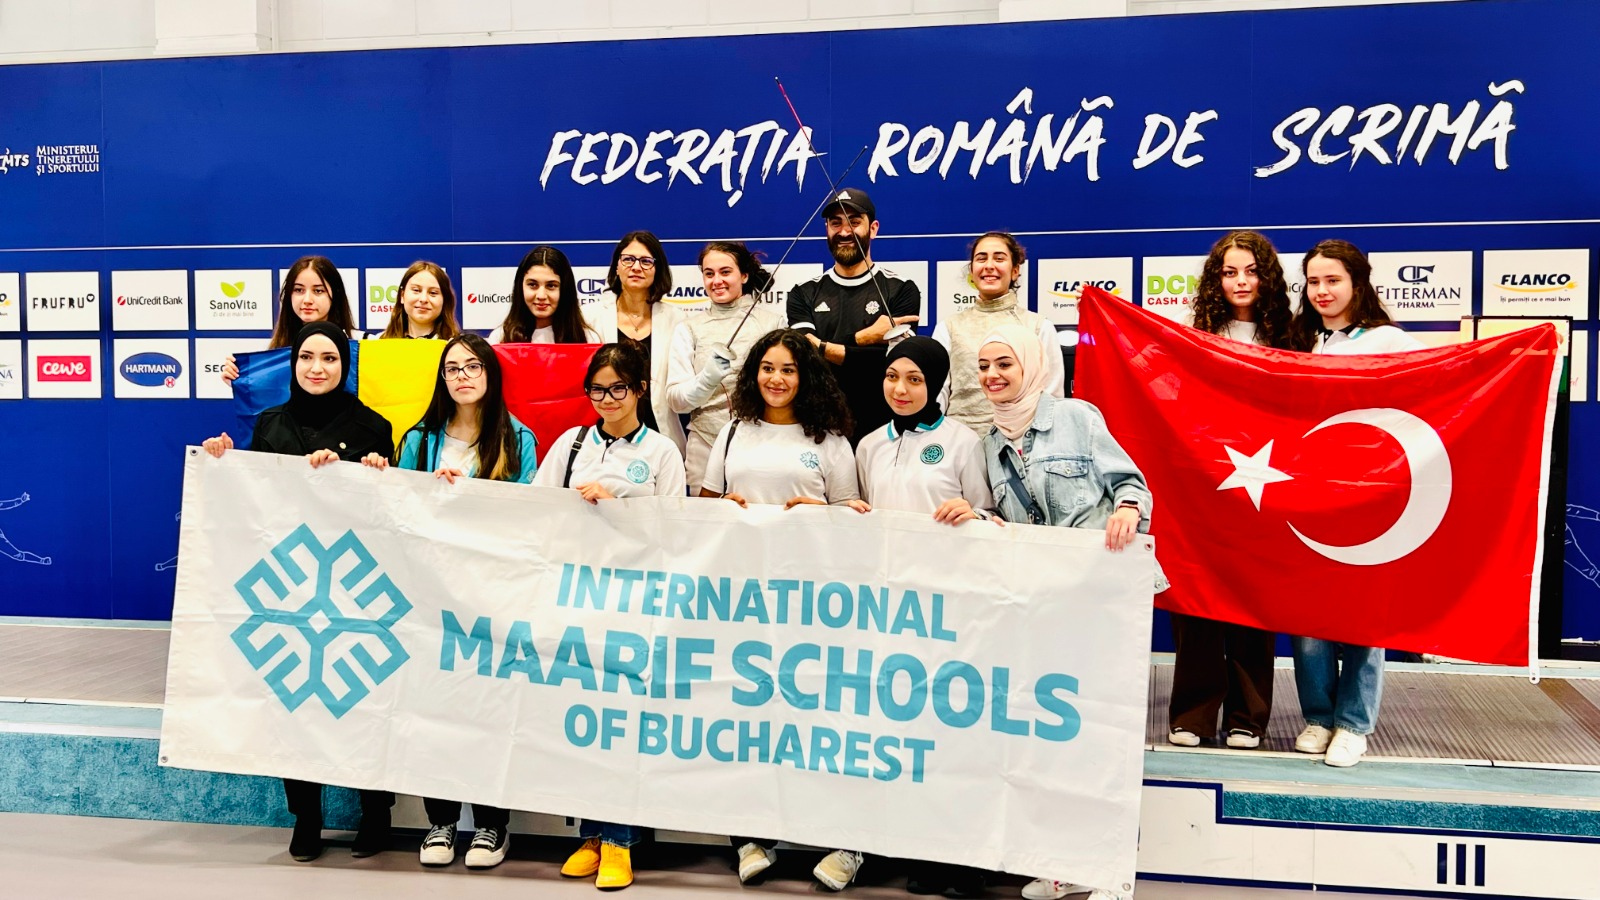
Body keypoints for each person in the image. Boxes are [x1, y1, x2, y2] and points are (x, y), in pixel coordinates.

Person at [975, 323, 1160, 900]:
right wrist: (975, 520)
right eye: (984, 367)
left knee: (1105, 736)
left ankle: (1110, 871)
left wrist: (1128, 508)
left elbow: (1131, 483)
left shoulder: (1077, 416)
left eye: (1004, 364)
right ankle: (1063, 863)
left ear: (1030, 365)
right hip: (1046, 606)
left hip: (1102, 596)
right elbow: (1012, 524)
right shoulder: (989, 443)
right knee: (1055, 741)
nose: (993, 376)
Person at [199, 321, 396, 863]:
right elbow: (253, 495)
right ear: (293, 364)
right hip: (291, 584)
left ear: (344, 365)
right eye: (307, 357)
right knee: (294, 704)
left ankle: (375, 813)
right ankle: (306, 817)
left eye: (329, 358)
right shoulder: (271, 423)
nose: (316, 367)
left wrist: (374, 472)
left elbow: (391, 513)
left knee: (362, 701)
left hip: (355, 586)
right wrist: (223, 458)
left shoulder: (374, 427)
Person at [358, 333, 536, 870]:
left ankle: (492, 825)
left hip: (493, 597)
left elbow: (531, 518)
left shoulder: (518, 437)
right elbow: (398, 514)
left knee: (490, 710)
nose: (462, 376)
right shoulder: (419, 438)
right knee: (433, 709)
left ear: (490, 374)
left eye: (472, 366)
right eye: (452, 368)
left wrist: (470, 496)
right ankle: (441, 821)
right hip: (430, 597)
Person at [698, 328, 864, 891]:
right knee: (746, 722)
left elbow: (853, 520)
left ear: (806, 377)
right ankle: (748, 838)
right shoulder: (733, 431)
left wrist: (822, 512)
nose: (776, 378)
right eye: (767, 368)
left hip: (812, 607)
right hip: (742, 605)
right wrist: (724, 507)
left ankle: (843, 842)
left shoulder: (831, 441)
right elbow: (704, 508)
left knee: (819, 722)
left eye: (788, 369)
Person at [537, 342, 686, 890]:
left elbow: (676, 529)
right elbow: (536, 510)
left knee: (624, 725)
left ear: (640, 390)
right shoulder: (571, 444)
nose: (607, 399)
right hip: (578, 598)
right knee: (583, 723)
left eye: (618, 388)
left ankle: (621, 840)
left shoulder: (663, 452)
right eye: (597, 390)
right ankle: (592, 835)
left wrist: (618, 507)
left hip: (635, 601)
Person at [853, 336, 993, 899]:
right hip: (889, 613)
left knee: (948, 735)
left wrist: (973, 512)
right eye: (893, 377)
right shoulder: (868, 445)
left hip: (949, 610)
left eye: (915, 379)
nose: (901, 389)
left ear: (935, 384)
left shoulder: (963, 441)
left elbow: (990, 512)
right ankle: (908, 848)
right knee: (899, 736)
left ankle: (959, 860)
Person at [1287, 239, 1424, 768]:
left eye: (1333, 280)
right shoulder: (1299, 341)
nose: (1322, 291)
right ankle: (1319, 716)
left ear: (1357, 283)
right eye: (1313, 282)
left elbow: (1443, 382)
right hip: (1307, 496)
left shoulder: (1389, 340)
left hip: (1370, 500)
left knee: (1364, 616)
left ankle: (1353, 724)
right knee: (1309, 617)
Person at [1167, 231, 1292, 752]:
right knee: (1198, 599)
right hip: (1204, 484)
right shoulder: (1193, 333)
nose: (1241, 281)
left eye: (1251, 271)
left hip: (1267, 485)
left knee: (1253, 601)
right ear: (1215, 280)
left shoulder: (1292, 337)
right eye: (1229, 272)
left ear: (1268, 278)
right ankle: (1193, 714)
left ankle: (1248, 717)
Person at [787, 187, 921, 444]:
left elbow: (891, 361)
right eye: (835, 223)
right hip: (819, 429)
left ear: (873, 229)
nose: (844, 232)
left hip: (884, 430)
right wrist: (864, 337)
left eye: (854, 222)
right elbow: (805, 358)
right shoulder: (803, 292)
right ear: (827, 229)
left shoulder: (901, 289)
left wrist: (823, 347)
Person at [666, 241, 784, 488]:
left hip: (762, 441)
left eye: (725, 272)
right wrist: (706, 380)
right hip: (704, 445)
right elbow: (676, 401)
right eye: (709, 274)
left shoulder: (772, 324)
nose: (716, 280)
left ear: (744, 275)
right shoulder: (688, 328)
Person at [932, 232, 1063, 435]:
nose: (989, 266)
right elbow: (937, 394)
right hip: (960, 442)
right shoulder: (948, 327)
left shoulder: (1039, 326)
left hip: (1022, 442)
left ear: (1015, 271)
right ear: (972, 271)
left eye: (999, 258)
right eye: (981, 258)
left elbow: (1052, 397)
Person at [584, 231, 686, 453]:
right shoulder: (590, 318)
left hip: (661, 435)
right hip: (605, 434)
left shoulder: (677, 320)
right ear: (617, 267)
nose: (636, 267)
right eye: (628, 259)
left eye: (646, 261)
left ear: (657, 269)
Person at [220, 255, 358, 384]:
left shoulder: (360, 345)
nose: (307, 300)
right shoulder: (276, 356)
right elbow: (271, 396)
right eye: (299, 290)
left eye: (318, 291)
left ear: (336, 294)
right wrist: (242, 382)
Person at [489, 245, 602, 344]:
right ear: (520, 287)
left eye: (551, 286)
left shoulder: (588, 339)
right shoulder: (500, 338)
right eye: (533, 285)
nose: (541, 296)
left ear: (565, 289)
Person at [376, 260, 461, 340]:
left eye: (433, 292)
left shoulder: (457, 346)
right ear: (402, 295)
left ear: (445, 300)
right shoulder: (378, 342)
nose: (423, 299)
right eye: (416, 290)